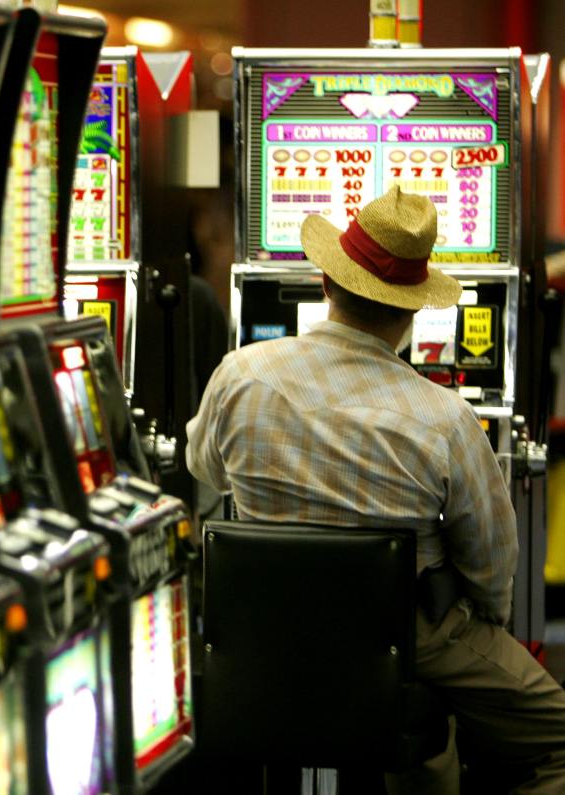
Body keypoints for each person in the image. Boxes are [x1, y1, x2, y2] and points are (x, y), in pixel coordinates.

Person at [186, 185, 565, 794]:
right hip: (405, 630)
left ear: (326, 286)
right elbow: (492, 560)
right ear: (413, 312)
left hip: (261, 631)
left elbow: (205, 467)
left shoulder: (241, 373)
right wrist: (476, 624)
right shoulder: (442, 415)